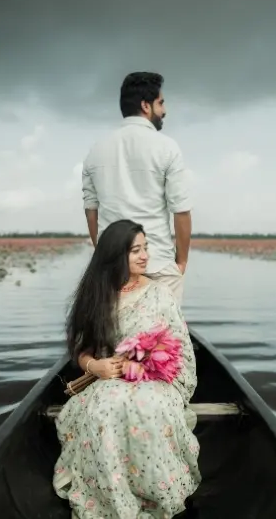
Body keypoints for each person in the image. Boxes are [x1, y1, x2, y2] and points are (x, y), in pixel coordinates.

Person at [53, 220, 200, 519]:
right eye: (135, 250)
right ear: (115, 254)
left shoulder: (159, 294)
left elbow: (180, 350)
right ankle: (113, 496)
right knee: (104, 409)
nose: (145, 256)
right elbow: (81, 349)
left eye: (146, 248)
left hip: (156, 379)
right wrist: (95, 366)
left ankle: (154, 492)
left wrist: (149, 364)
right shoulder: (98, 294)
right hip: (110, 378)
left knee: (147, 407)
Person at [81, 71, 192, 297]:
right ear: (145, 105)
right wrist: (181, 263)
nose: (164, 110)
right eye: (161, 103)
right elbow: (181, 211)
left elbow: (91, 212)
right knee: (164, 323)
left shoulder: (95, 150)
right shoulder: (167, 147)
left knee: (114, 322)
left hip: (112, 269)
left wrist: (104, 256)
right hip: (158, 265)